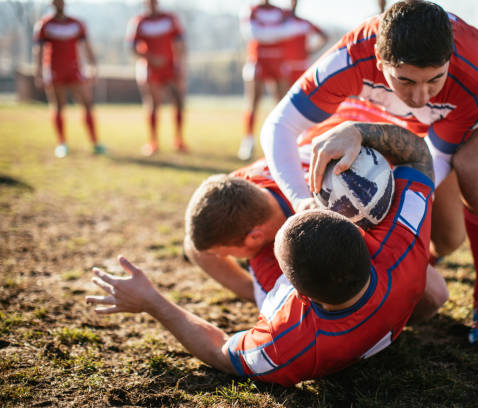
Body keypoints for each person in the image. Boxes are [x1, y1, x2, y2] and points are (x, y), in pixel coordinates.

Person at [86, 121, 448, 386]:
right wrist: (360, 132)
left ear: (295, 292)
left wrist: (152, 301)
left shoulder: (289, 342)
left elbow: (219, 352)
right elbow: (417, 154)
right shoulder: (399, 245)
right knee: (435, 291)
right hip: (391, 285)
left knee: (435, 290)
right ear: (360, 235)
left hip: (320, 331)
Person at [259, 0, 478, 346]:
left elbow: (429, 163)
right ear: (377, 58)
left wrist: (383, 219)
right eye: (406, 81)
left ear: (449, 59)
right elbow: (279, 125)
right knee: (446, 237)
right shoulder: (349, 57)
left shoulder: (473, 79)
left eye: (434, 79)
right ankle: (424, 255)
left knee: (476, 168)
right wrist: (301, 201)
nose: (420, 96)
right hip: (421, 107)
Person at [237, 0, 313, 161]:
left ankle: (281, 143)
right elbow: (254, 33)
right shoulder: (250, 10)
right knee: (252, 102)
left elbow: (295, 29)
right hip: (258, 60)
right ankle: (248, 141)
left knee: (282, 105)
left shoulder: (281, 12)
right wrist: (279, 31)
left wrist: (271, 32)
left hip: (278, 62)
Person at [33, 0, 105, 158]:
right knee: (58, 106)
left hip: (75, 70)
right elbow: (38, 50)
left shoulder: (77, 24)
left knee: (87, 103)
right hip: (54, 70)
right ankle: (62, 143)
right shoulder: (44, 25)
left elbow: (87, 46)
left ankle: (95, 142)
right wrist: (38, 72)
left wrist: (93, 66)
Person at [126, 0, 187, 156]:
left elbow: (180, 42)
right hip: (150, 69)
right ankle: (153, 142)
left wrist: (179, 63)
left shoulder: (170, 19)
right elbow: (132, 47)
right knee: (153, 104)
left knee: (178, 102)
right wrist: (151, 58)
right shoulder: (139, 22)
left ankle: (178, 140)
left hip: (171, 67)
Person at [281, 0, 328, 86]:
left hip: (301, 64)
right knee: (282, 94)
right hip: (285, 65)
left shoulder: (305, 23)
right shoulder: (281, 22)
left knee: (301, 92)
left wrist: (312, 51)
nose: (293, 3)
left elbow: (325, 37)